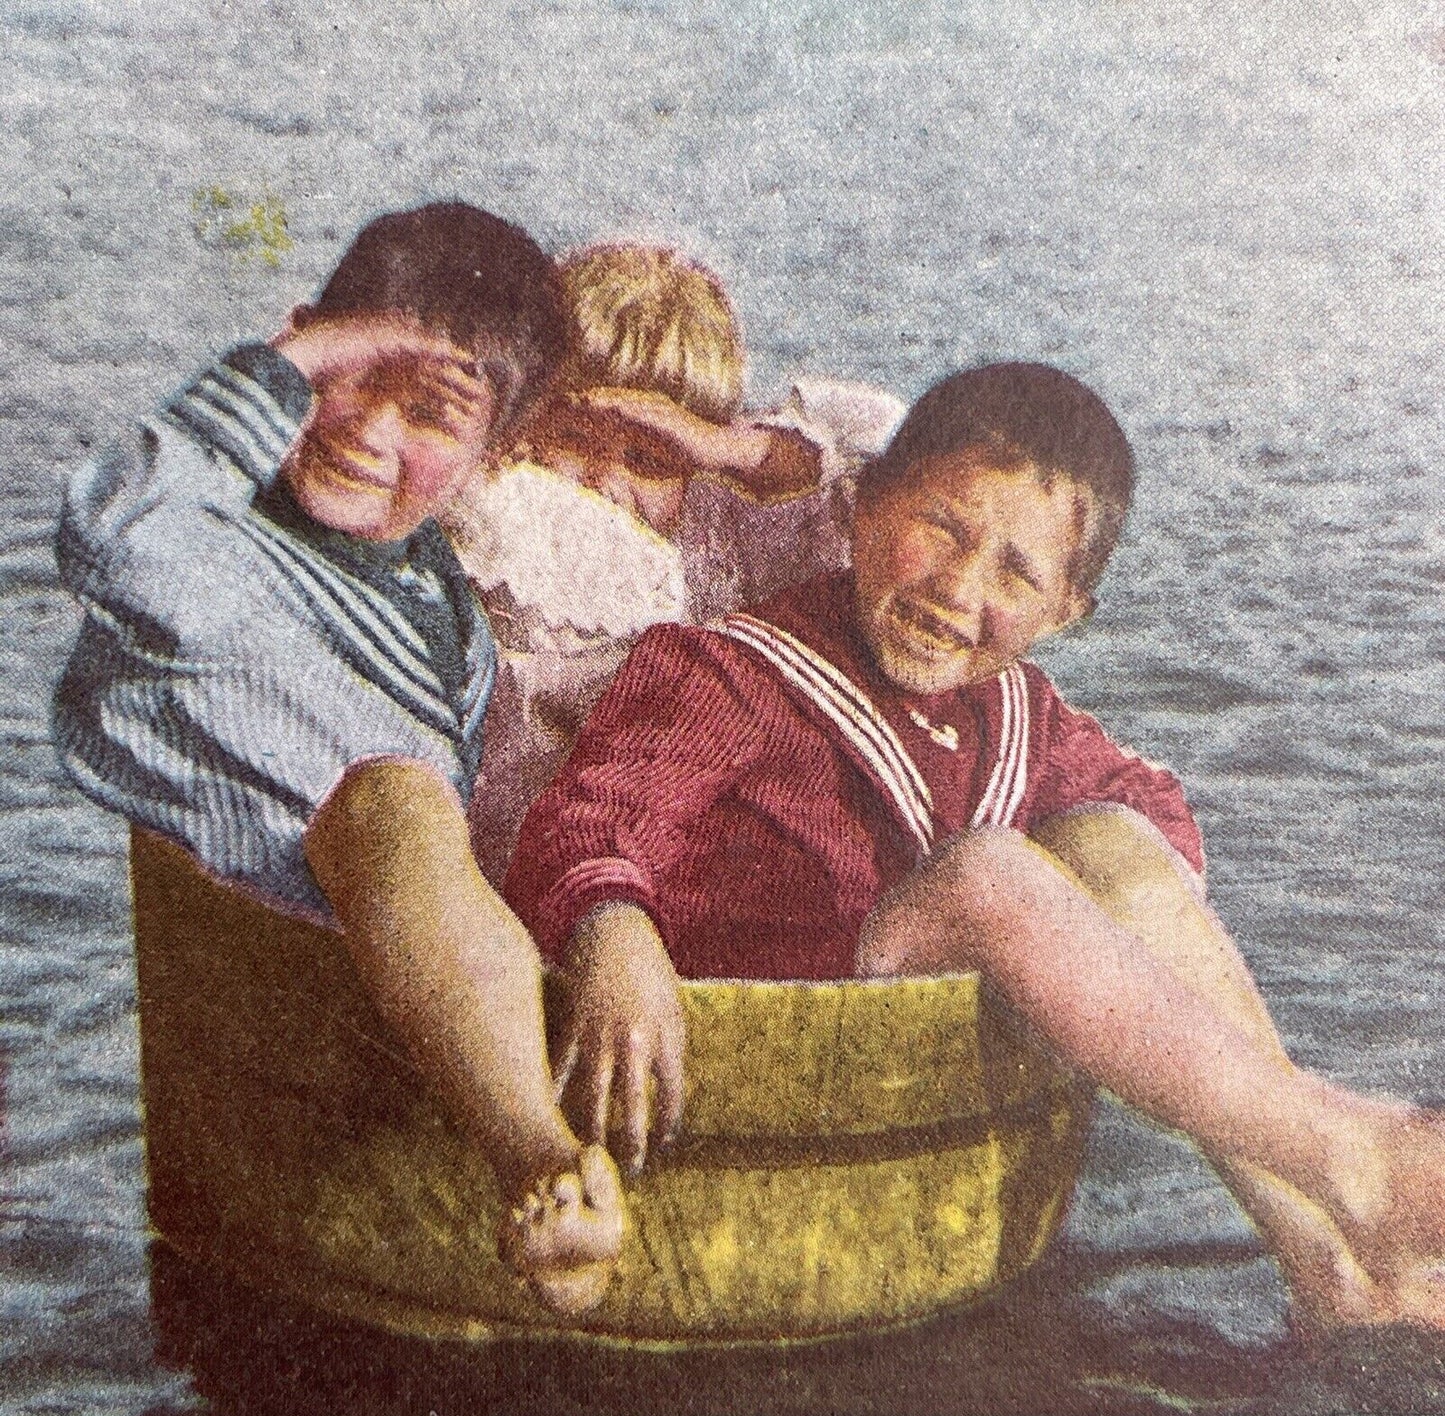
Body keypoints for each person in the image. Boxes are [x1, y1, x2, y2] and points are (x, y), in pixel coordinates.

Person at [506, 361, 1445, 1333]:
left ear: (1063, 613)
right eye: (939, 528)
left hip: (908, 1046)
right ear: (864, 507)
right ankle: (1344, 1151)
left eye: (1015, 573)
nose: (955, 588)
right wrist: (613, 926)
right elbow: (590, 815)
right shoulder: (726, 670)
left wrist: (1102, 907)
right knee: (990, 873)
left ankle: (1325, 1263)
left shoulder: (1016, 708)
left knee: (1111, 834)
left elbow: (1142, 812)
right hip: (755, 1026)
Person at [52, 201, 627, 1315]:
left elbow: (467, 779)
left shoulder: (435, 600)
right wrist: (299, 358)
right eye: (348, 372)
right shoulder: (210, 535)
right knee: (394, 801)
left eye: (430, 413)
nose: (364, 426)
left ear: (493, 453)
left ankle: (533, 1117)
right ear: (296, 340)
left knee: (442, 814)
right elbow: (106, 528)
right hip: (277, 876)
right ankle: (533, 1156)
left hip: (404, 925)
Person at [442, 241, 905, 880]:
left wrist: (734, 452)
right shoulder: (489, 512)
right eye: (574, 440)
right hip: (489, 847)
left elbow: (890, 445)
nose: (603, 483)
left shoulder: (719, 529)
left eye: (651, 461)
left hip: (651, 857)